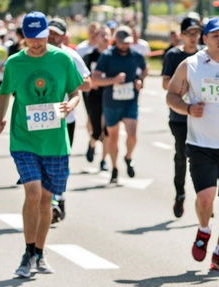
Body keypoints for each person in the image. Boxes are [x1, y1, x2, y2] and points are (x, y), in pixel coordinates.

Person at [0, 12, 83, 278]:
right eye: (30, 38)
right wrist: (0, 119)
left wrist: (71, 105)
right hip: (24, 139)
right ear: (24, 37)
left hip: (55, 142)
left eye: (40, 37)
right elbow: (4, 93)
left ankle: (40, 253)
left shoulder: (62, 59)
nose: (36, 43)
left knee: (46, 201)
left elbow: (76, 92)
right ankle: (28, 251)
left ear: (47, 34)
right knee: (32, 194)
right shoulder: (14, 63)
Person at [167, 17, 219, 270]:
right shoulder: (190, 65)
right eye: (215, 35)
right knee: (206, 198)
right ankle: (204, 230)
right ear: (206, 39)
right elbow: (171, 95)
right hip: (202, 145)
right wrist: (188, 108)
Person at [47, 18, 92, 221]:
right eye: (48, 32)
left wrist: (66, 81)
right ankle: (48, 199)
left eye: (55, 33)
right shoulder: (35, 56)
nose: (51, 36)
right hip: (39, 116)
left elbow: (88, 83)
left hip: (65, 116)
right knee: (41, 160)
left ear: (63, 36)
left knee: (60, 160)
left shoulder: (70, 55)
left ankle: (58, 197)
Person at [91, 25, 147, 184]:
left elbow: (145, 69)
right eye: (122, 43)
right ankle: (114, 168)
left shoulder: (136, 54)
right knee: (113, 138)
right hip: (111, 102)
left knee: (132, 134)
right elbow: (95, 79)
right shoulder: (107, 56)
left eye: (128, 43)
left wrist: (140, 80)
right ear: (116, 41)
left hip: (130, 101)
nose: (125, 46)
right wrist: (113, 80)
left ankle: (128, 157)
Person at [161, 16, 203, 217]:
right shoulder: (173, 56)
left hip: (203, 116)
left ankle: (205, 199)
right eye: (190, 33)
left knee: (203, 157)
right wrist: (183, 85)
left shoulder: (205, 55)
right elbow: (165, 84)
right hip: (179, 115)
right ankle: (180, 193)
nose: (194, 37)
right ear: (182, 35)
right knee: (182, 155)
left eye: (197, 33)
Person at [81, 26, 112, 171]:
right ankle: (92, 143)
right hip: (93, 96)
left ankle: (103, 160)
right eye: (102, 35)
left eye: (107, 35)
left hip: (110, 96)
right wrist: (92, 83)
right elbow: (83, 76)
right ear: (96, 37)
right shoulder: (90, 56)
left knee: (107, 129)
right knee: (96, 128)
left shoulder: (114, 55)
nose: (105, 38)